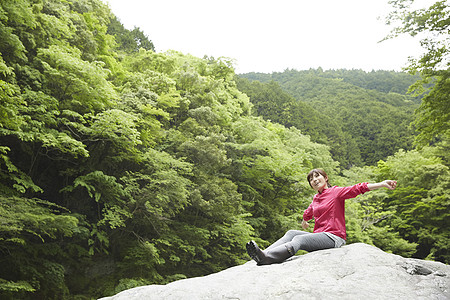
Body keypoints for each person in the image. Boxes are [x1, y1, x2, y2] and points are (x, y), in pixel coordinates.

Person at [246, 168, 397, 265]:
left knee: (300, 239)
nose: (314, 180)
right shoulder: (315, 198)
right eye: (311, 179)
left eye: (317, 176)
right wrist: (305, 220)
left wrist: (382, 184)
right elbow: (309, 212)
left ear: (326, 178)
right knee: (292, 233)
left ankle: (269, 258)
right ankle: (263, 254)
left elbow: (358, 188)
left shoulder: (336, 192)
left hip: (334, 237)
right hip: (320, 237)